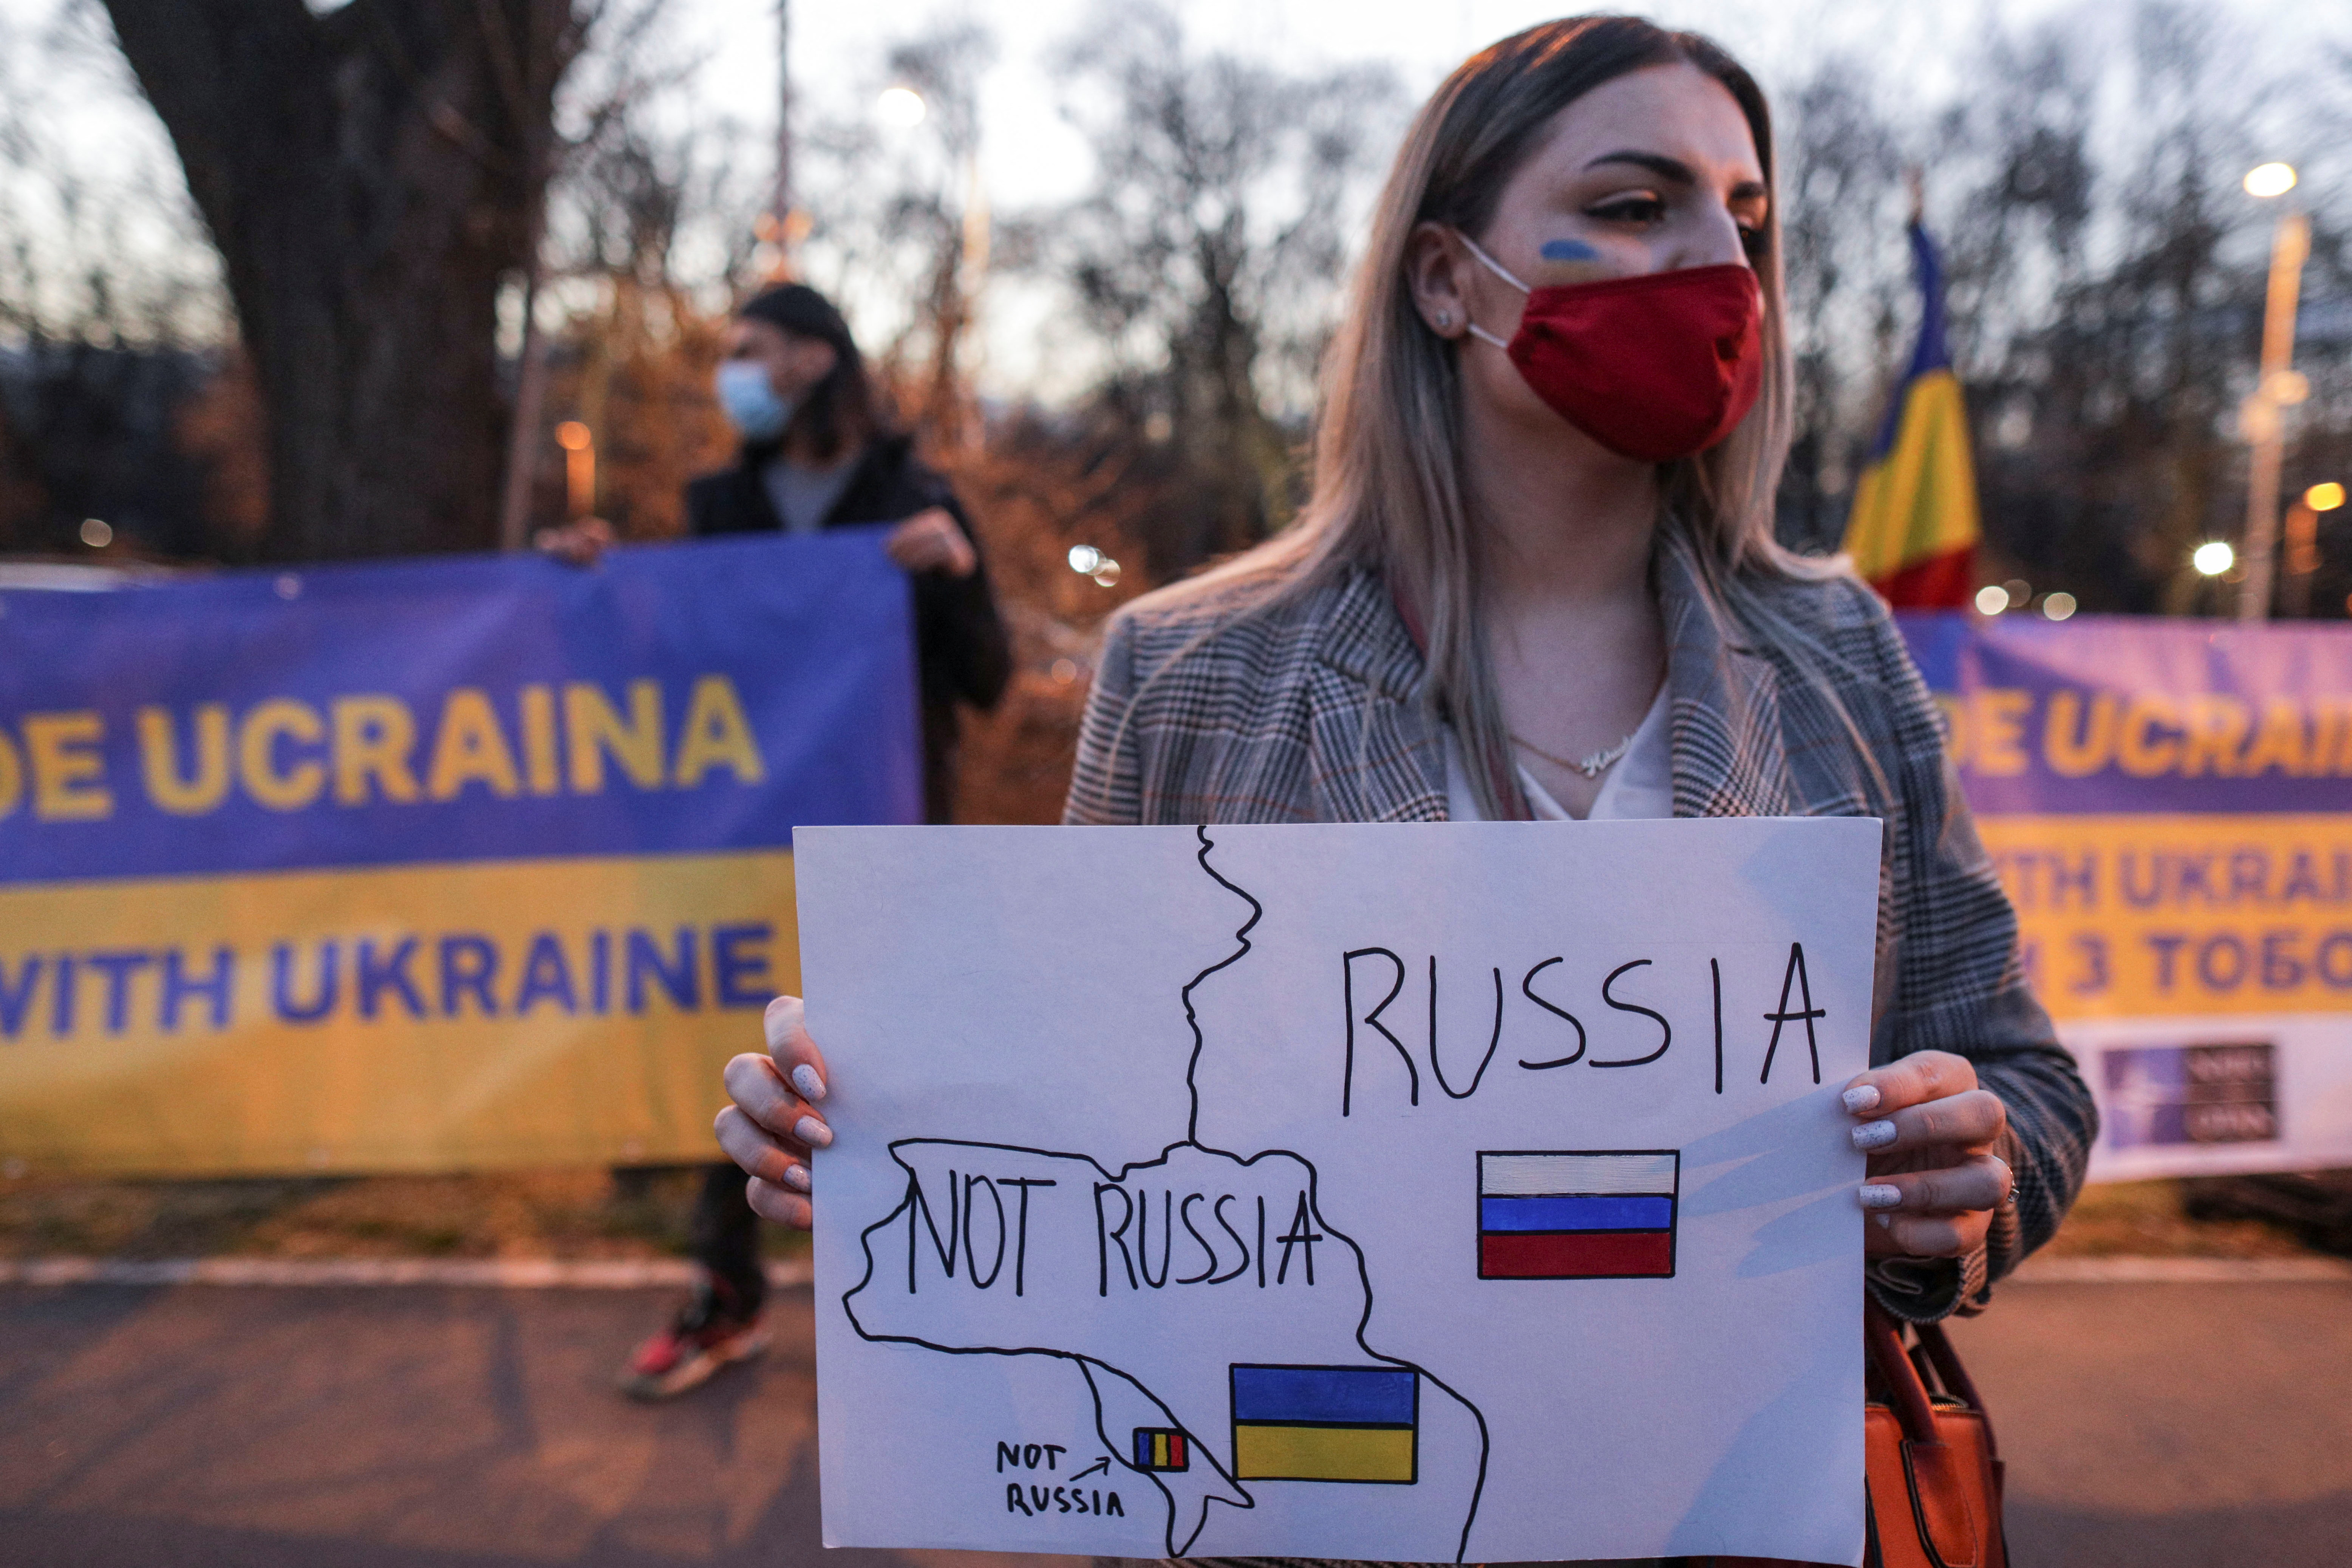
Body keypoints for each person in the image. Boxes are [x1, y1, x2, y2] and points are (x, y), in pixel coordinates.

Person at [710, 16, 2096, 1563]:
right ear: (1446, 279)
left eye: (1746, 217)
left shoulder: (1842, 655)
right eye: (1638, 207)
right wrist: (874, 1128)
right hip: (1312, 1509)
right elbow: (1088, 1138)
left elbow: (2019, 1080)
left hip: (1742, 1514)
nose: (1719, 263)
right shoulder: (1189, 673)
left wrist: (1963, 1185)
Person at [541, 282, 1011, 1400]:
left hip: (891, 833)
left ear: (811, 359)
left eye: (749, 350)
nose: (733, 372)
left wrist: (955, 572)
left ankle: (923, 1317)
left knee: (892, 1068)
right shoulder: (717, 505)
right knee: (746, 1051)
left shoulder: (914, 493)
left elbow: (987, 678)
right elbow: (674, 665)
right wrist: (589, 591)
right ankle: (728, 1291)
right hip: (748, 832)